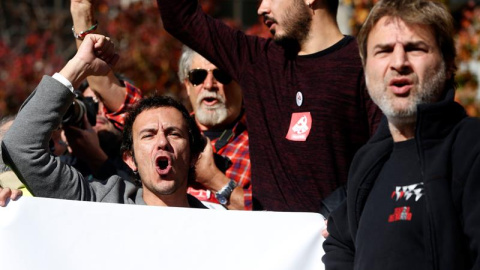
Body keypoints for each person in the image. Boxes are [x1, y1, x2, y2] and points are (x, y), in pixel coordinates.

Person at [157, 0, 382, 212]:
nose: (261, 8)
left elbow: (385, 164)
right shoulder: (257, 61)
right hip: (268, 246)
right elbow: (179, 16)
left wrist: (343, 219)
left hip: (337, 247)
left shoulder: (366, 66)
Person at [323, 1, 479, 269]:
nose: (399, 63)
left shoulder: (470, 147)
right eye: (383, 51)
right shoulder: (368, 161)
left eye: (415, 48)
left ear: (448, 62)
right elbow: (338, 239)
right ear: (365, 66)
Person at [1, 34, 206, 208]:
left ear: (193, 155)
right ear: (129, 159)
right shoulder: (98, 204)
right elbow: (20, 146)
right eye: (148, 135)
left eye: (174, 133)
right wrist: (79, 66)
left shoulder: (218, 223)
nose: (162, 142)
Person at [178, 45, 251, 210]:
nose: (209, 84)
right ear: (187, 86)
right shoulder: (166, 135)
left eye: (222, 74)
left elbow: (273, 213)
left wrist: (213, 179)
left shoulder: (267, 142)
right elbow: (126, 109)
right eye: (198, 76)